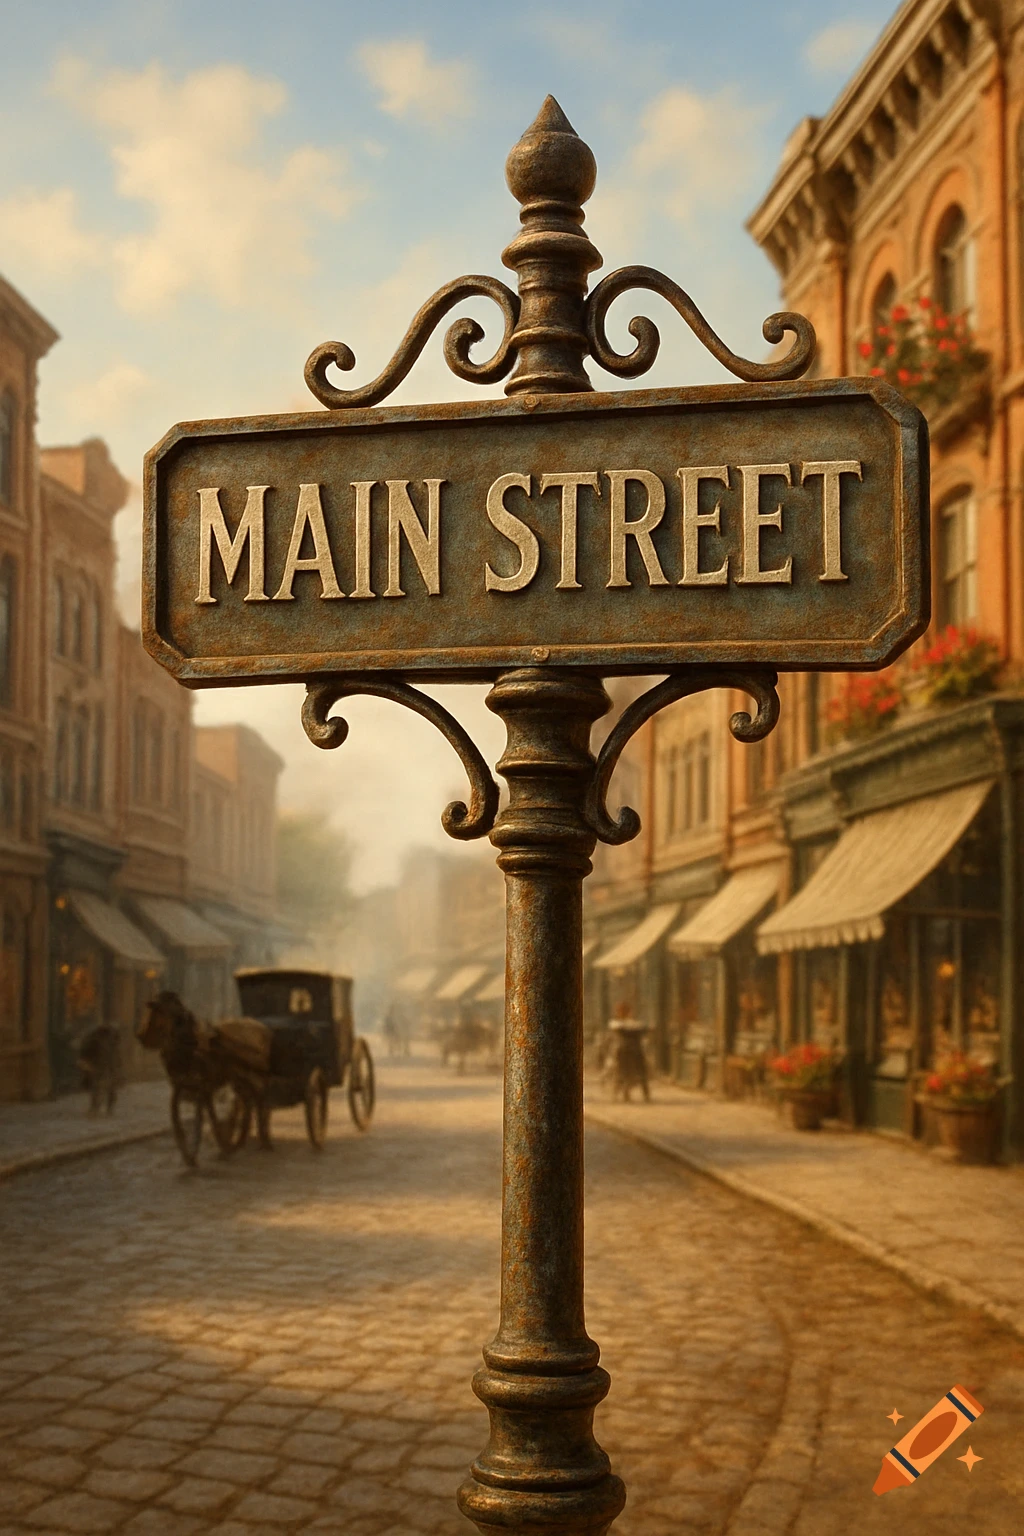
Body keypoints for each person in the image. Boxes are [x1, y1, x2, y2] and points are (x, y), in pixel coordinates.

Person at [607, 1000, 650, 1103]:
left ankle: (645, 1094)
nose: (624, 1013)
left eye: (626, 1011)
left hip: (635, 1050)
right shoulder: (616, 1023)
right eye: (622, 1011)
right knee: (620, 1072)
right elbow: (616, 1027)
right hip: (622, 1051)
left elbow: (642, 1028)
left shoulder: (634, 1023)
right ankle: (620, 1093)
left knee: (641, 1072)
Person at [77, 1020, 122, 1116]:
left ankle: (106, 1108)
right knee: (99, 1088)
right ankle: (97, 1108)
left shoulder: (111, 1040)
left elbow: (116, 1055)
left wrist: (118, 1067)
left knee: (108, 1089)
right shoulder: (96, 1039)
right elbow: (87, 1052)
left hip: (107, 1067)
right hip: (100, 1067)